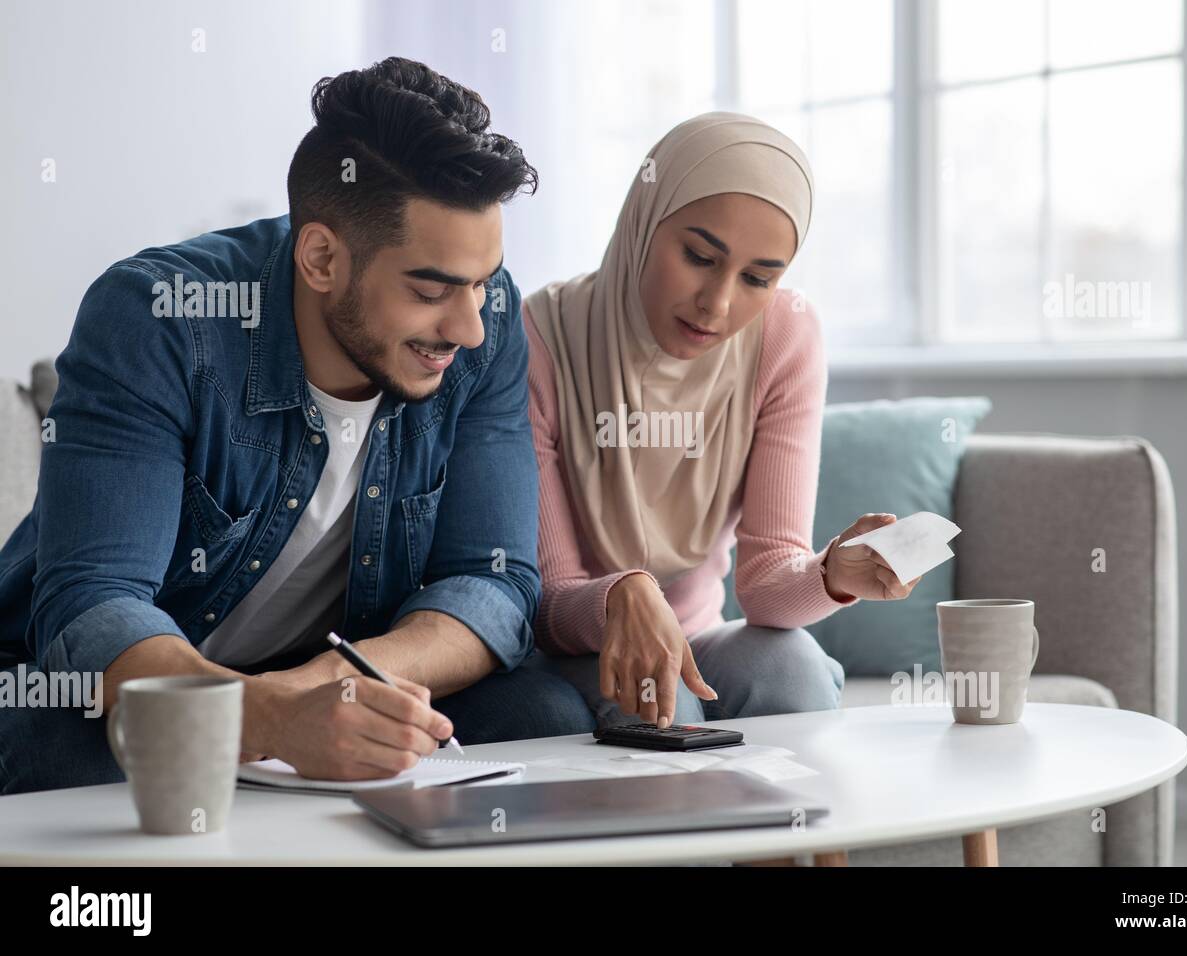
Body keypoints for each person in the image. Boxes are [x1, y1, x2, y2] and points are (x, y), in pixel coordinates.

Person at [0, 57, 595, 796]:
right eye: (430, 288)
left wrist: (334, 684)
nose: (470, 328)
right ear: (321, 258)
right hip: (100, 691)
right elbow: (92, 605)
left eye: (482, 281)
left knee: (541, 712)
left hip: (323, 669)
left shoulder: (489, 321)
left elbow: (493, 581)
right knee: (87, 753)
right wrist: (269, 716)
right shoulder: (161, 317)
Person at [520, 112, 923, 731]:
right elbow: (546, 603)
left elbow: (763, 585)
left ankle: (808, 831)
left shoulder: (784, 335)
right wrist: (622, 596)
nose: (718, 304)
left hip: (699, 637)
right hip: (570, 651)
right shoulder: (539, 339)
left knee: (793, 670)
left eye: (759, 278)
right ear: (643, 222)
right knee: (662, 704)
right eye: (699, 257)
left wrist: (831, 572)